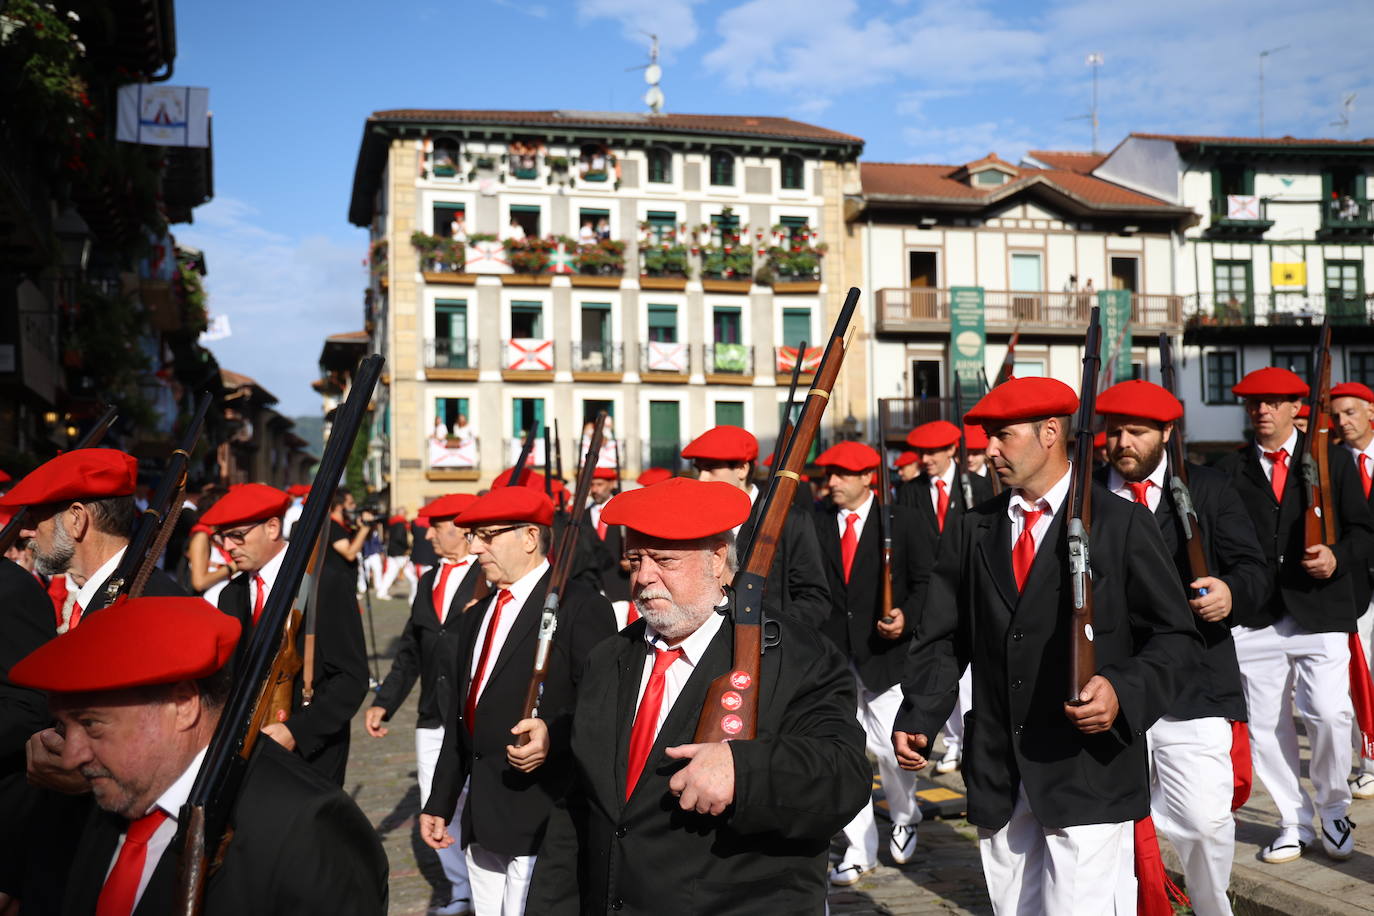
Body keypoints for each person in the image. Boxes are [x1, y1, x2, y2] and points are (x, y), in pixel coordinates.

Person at [891, 376, 1203, 915]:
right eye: (987, 437)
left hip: (1088, 766)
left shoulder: (1122, 523)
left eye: (1002, 436)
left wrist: (1121, 691)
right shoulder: (972, 530)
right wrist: (920, 712)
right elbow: (941, 637)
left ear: (1051, 433)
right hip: (1000, 769)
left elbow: (1175, 637)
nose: (988, 451)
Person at [525, 477, 871, 913]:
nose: (644, 577)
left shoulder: (797, 656)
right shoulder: (607, 660)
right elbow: (580, 806)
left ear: (717, 558)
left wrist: (744, 770)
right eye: (635, 560)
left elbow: (844, 776)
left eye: (664, 560)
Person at [8, 595, 389, 914]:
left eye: (91, 724)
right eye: (63, 727)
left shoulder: (309, 830)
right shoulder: (110, 792)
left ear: (184, 705)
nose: (71, 757)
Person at [1095, 379, 1270, 915]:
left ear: (1166, 434)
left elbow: (1254, 572)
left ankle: (1211, 907)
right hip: (1111, 682)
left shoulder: (1210, 489)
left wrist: (1229, 592)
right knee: (1106, 831)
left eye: (1137, 432)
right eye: (1115, 431)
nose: (1122, 442)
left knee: (1201, 821)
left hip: (1194, 681)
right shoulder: (1086, 495)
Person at [420, 487, 615, 915]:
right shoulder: (475, 616)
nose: (475, 547)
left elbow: (605, 704)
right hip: (483, 817)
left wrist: (555, 736)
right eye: (472, 536)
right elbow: (462, 718)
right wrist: (441, 800)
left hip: (544, 814)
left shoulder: (579, 607)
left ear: (529, 537)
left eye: (487, 535)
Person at [1217, 367, 1374, 862]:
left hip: (1321, 609)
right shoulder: (1228, 469)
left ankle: (1332, 808)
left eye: (1272, 402)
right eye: (1253, 403)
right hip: (1256, 614)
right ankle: (1292, 818)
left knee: (1329, 713)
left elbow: (1363, 531)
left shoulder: (1331, 460)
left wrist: (1336, 557)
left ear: (1293, 408)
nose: (1261, 410)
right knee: (1265, 726)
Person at [811, 442, 926, 884]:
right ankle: (860, 848)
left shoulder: (901, 520)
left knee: (890, 750)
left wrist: (906, 617)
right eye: (829, 474)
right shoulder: (816, 521)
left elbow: (925, 582)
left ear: (867, 478)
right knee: (845, 754)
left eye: (842, 474)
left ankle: (905, 813)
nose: (832, 482)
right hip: (833, 658)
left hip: (885, 657)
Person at [203, 483, 369, 785]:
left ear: (272, 527)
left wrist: (297, 731)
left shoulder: (323, 584)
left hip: (310, 756)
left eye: (237, 535)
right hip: (247, 755)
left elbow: (351, 679)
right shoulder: (232, 594)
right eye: (221, 537)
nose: (227, 547)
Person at [368, 494, 482, 916]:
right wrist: (385, 702)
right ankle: (459, 888)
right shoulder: (428, 579)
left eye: (437, 525)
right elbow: (411, 650)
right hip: (432, 713)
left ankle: (490, 885)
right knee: (436, 802)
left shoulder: (489, 577)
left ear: (464, 528)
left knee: (479, 801)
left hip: (474, 711)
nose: (428, 534)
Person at [899, 420, 995, 774]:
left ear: (952, 450)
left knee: (968, 678)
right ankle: (950, 740)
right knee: (938, 667)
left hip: (968, 589)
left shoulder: (980, 487)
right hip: (931, 590)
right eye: (922, 452)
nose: (925, 459)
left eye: (933, 452)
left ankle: (962, 743)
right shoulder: (910, 491)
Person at [681, 425, 830, 628]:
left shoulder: (790, 520)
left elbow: (814, 599)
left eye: (711, 468)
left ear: (742, 468)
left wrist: (770, 633)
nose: (702, 478)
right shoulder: (695, 520)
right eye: (699, 469)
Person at [1332, 380, 1374, 798]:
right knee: (1360, 672)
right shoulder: (1331, 464)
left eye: (1350, 413)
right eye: (1337, 415)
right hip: (1356, 586)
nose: (1342, 422)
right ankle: (1371, 756)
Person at [583, 466, 633, 626]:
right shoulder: (581, 516)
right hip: (590, 588)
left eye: (599, 484)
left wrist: (632, 561)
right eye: (592, 485)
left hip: (619, 587)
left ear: (611, 484)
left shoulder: (624, 512)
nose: (595, 490)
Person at [376, 506, 414, 599]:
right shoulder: (401, 523)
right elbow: (399, 538)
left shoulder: (392, 523)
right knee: (411, 573)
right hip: (399, 552)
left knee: (390, 572)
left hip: (392, 551)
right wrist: (407, 546)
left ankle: (381, 592)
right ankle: (416, 593)